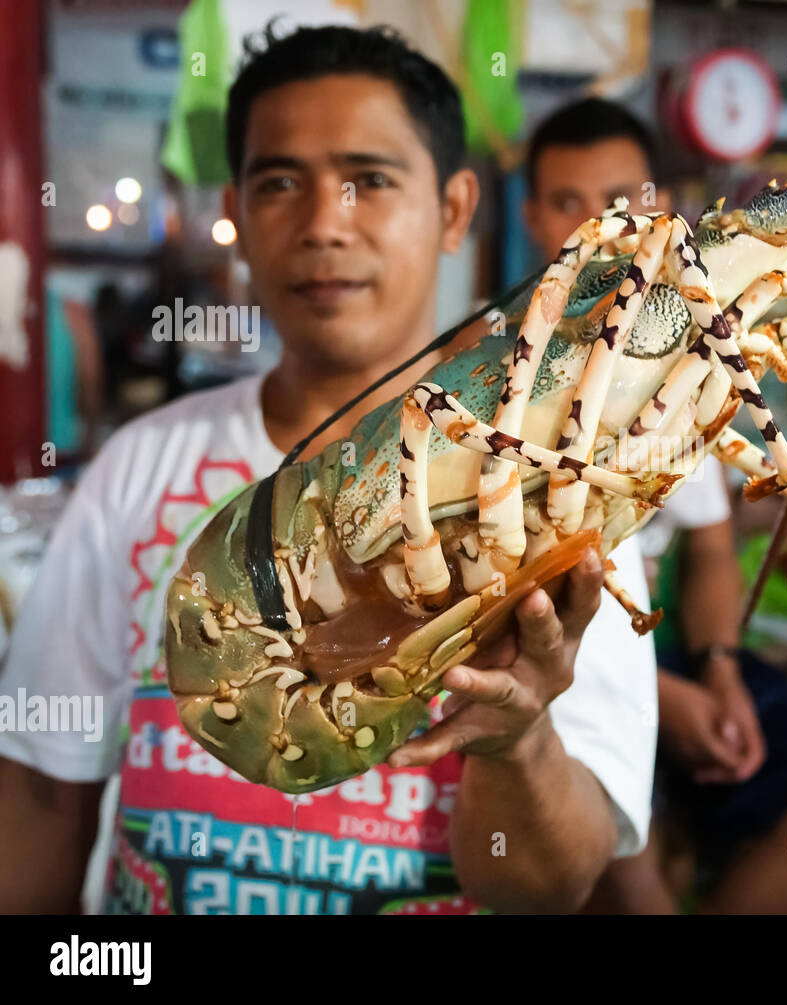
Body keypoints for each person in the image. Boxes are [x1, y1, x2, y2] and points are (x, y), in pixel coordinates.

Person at [0, 24, 658, 915]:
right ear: (236, 205)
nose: (323, 224)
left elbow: (546, 889)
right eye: (279, 183)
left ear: (455, 208)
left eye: (370, 180)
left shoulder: (562, 482)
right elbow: (45, 787)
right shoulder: (138, 469)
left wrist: (518, 736)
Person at [523, 97, 787, 914]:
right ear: (533, 213)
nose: (597, 228)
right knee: (627, 871)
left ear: (659, 209)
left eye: (620, 202)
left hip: (671, 656)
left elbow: (713, 545)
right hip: (547, 670)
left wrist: (717, 671)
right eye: (567, 203)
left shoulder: (681, 356)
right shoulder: (495, 369)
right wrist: (663, 699)